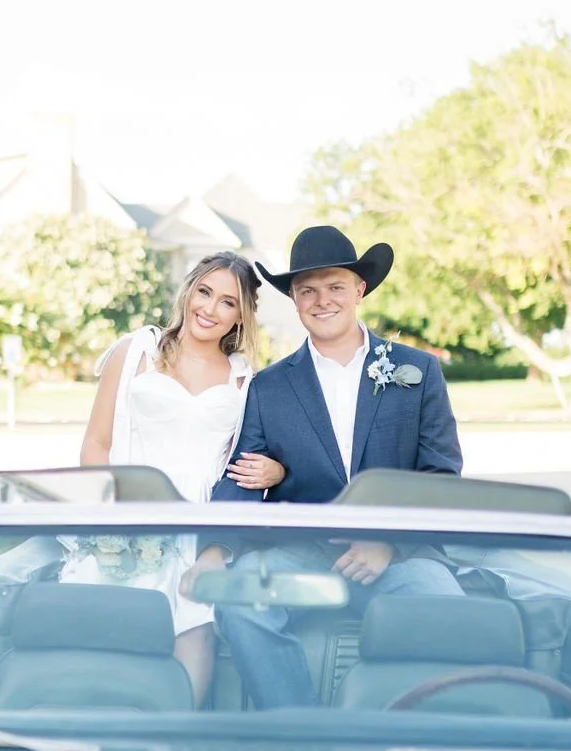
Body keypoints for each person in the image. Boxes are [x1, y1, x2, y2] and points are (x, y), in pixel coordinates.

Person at [181, 225, 464, 709]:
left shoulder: (418, 371)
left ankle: (407, 737)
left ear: (359, 289)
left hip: (401, 555)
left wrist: (388, 541)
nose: (322, 300)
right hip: (302, 551)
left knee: (451, 611)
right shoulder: (269, 386)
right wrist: (215, 549)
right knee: (240, 602)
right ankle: (301, 732)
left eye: (335, 286)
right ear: (294, 299)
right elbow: (243, 475)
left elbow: (441, 477)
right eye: (307, 290)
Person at [78, 251, 286, 703]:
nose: (210, 309)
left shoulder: (244, 379)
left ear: (241, 316)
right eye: (204, 292)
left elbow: (254, 454)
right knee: (112, 630)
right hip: (129, 508)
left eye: (228, 302)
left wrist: (277, 470)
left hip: (199, 522)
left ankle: (172, 731)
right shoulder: (136, 352)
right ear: (188, 290)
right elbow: (96, 443)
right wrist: (104, 519)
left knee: (193, 632)